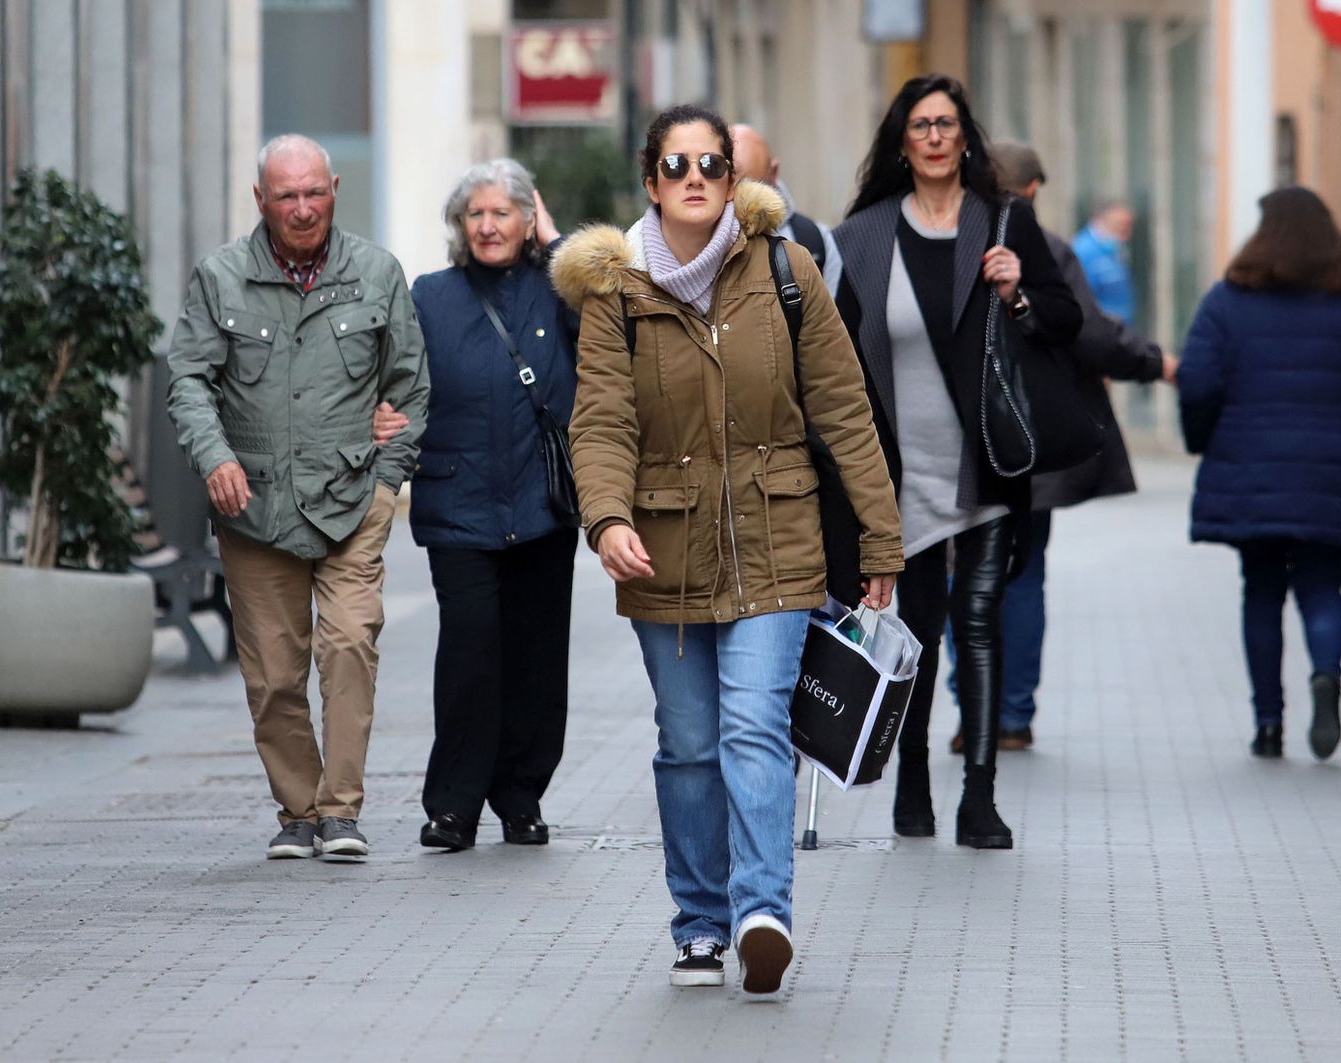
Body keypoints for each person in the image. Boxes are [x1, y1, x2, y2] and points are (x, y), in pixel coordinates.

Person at [550, 104, 902, 994]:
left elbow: (845, 408)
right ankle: (700, 922)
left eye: (712, 161)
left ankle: (762, 912)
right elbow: (598, 423)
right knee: (689, 743)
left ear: (732, 175)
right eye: (677, 164)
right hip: (661, 549)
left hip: (778, 538)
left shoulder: (786, 270)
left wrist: (880, 539)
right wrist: (608, 520)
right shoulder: (615, 295)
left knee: (753, 726)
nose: (696, 177)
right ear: (650, 179)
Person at [832, 75, 1082, 848]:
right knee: (914, 629)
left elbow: (1064, 323)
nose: (935, 137)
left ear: (965, 137)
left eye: (946, 124)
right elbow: (835, 355)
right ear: (901, 143)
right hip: (897, 474)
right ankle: (911, 783)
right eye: (920, 126)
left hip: (984, 465)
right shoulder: (864, 237)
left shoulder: (1004, 220)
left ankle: (979, 796)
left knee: (978, 623)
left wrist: (1018, 293)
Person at [167, 134, 430, 860]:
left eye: (314, 191)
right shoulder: (220, 277)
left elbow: (409, 388)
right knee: (274, 674)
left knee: (349, 643)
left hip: (352, 501)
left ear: (335, 188)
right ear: (261, 199)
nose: (303, 208)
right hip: (254, 509)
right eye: (287, 195)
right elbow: (188, 379)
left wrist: (385, 484)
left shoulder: (377, 273)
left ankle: (341, 811)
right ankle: (299, 809)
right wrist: (214, 457)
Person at [369, 159, 575, 853]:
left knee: (538, 659)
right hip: (459, 502)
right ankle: (454, 804)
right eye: (475, 214)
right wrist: (383, 419)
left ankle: (521, 796)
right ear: (460, 226)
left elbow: (616, 307)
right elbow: (395, 379)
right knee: (470, 655)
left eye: (503, 212)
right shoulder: (431, 295)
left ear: (526, 221)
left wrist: (557, 239)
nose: (488, 226)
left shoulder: (557, 289)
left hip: (545, 504)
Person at [945, 140, 1178, 752]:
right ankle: (1013, 715)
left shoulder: (942, 245)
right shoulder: (1046, 249)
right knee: (1023, 575)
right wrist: (1155, 364)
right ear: (1031, 192)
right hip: (1029, 449)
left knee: (958, 573)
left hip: (957, 448)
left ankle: (972, 710)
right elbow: (1093, 335)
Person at [1177, 186, 1341, 761]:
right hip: (1325, 473)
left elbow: (1197, 383)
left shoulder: (1227, 301)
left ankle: (1268, 723)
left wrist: (1206, 442)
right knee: (1323, 585)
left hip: (1250, 473)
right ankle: (1326, 675)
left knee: (1263, 591)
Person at [730, 123, 844, 296]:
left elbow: (832, 319)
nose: (741, 204)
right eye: (731, 188)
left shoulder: (815, 240)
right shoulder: (695, 239)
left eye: (752, 189)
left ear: (774, 173)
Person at [1072, 199, 1137, 325]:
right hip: (1099, 331)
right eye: (1122, 226)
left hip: (1121, 329)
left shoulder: (1116, 249)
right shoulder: (1083, 251)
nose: (1128, 233)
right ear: (1103, 221)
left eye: (1129, 226)